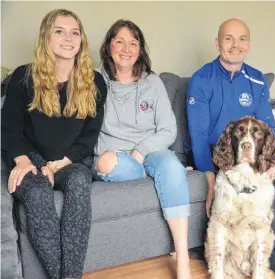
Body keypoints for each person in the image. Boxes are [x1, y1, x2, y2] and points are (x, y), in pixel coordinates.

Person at [186, 18, 275, 279]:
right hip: (219, 154)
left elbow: (268, 127)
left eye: (242, 39)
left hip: (249, 152)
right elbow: (198, 134)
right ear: (218, 43)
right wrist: (209, 177)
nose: (235, 45)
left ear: (248, 45)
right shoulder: (201, 79)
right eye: (228, 38)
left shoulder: (257, 79)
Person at [1, 9, 107, 279]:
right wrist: (23, 160)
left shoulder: (94, 82)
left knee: (80, 180)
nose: (68, 38)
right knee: (36, 192)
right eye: (59, 31)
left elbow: (89, 135)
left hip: (68, 163)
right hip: (30, 158)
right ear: (46, 37)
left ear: (81, 40)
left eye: (75, 32)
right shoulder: (24, 77)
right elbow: (9, 129)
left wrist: (63, 162)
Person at [93, 20, 191, 279]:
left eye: (133, 43)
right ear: (108, 46)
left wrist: (141, 151)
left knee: (169, 164)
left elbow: (169, 130)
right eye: (120, 41)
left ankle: (182, 259)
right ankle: (165, 177)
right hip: (115, 156)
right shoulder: (93, 80)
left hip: (151, 153)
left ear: (140, 49)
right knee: (105, 163)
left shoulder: (153, 83)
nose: (126, 49)